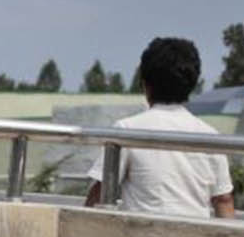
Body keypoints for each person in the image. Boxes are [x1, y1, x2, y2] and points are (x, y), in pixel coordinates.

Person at [84, 37, 235, 219]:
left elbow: (100, 192)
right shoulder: (211, 137)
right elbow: (223, 200)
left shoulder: (127, 131)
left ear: (146, 85)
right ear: (192, 84)